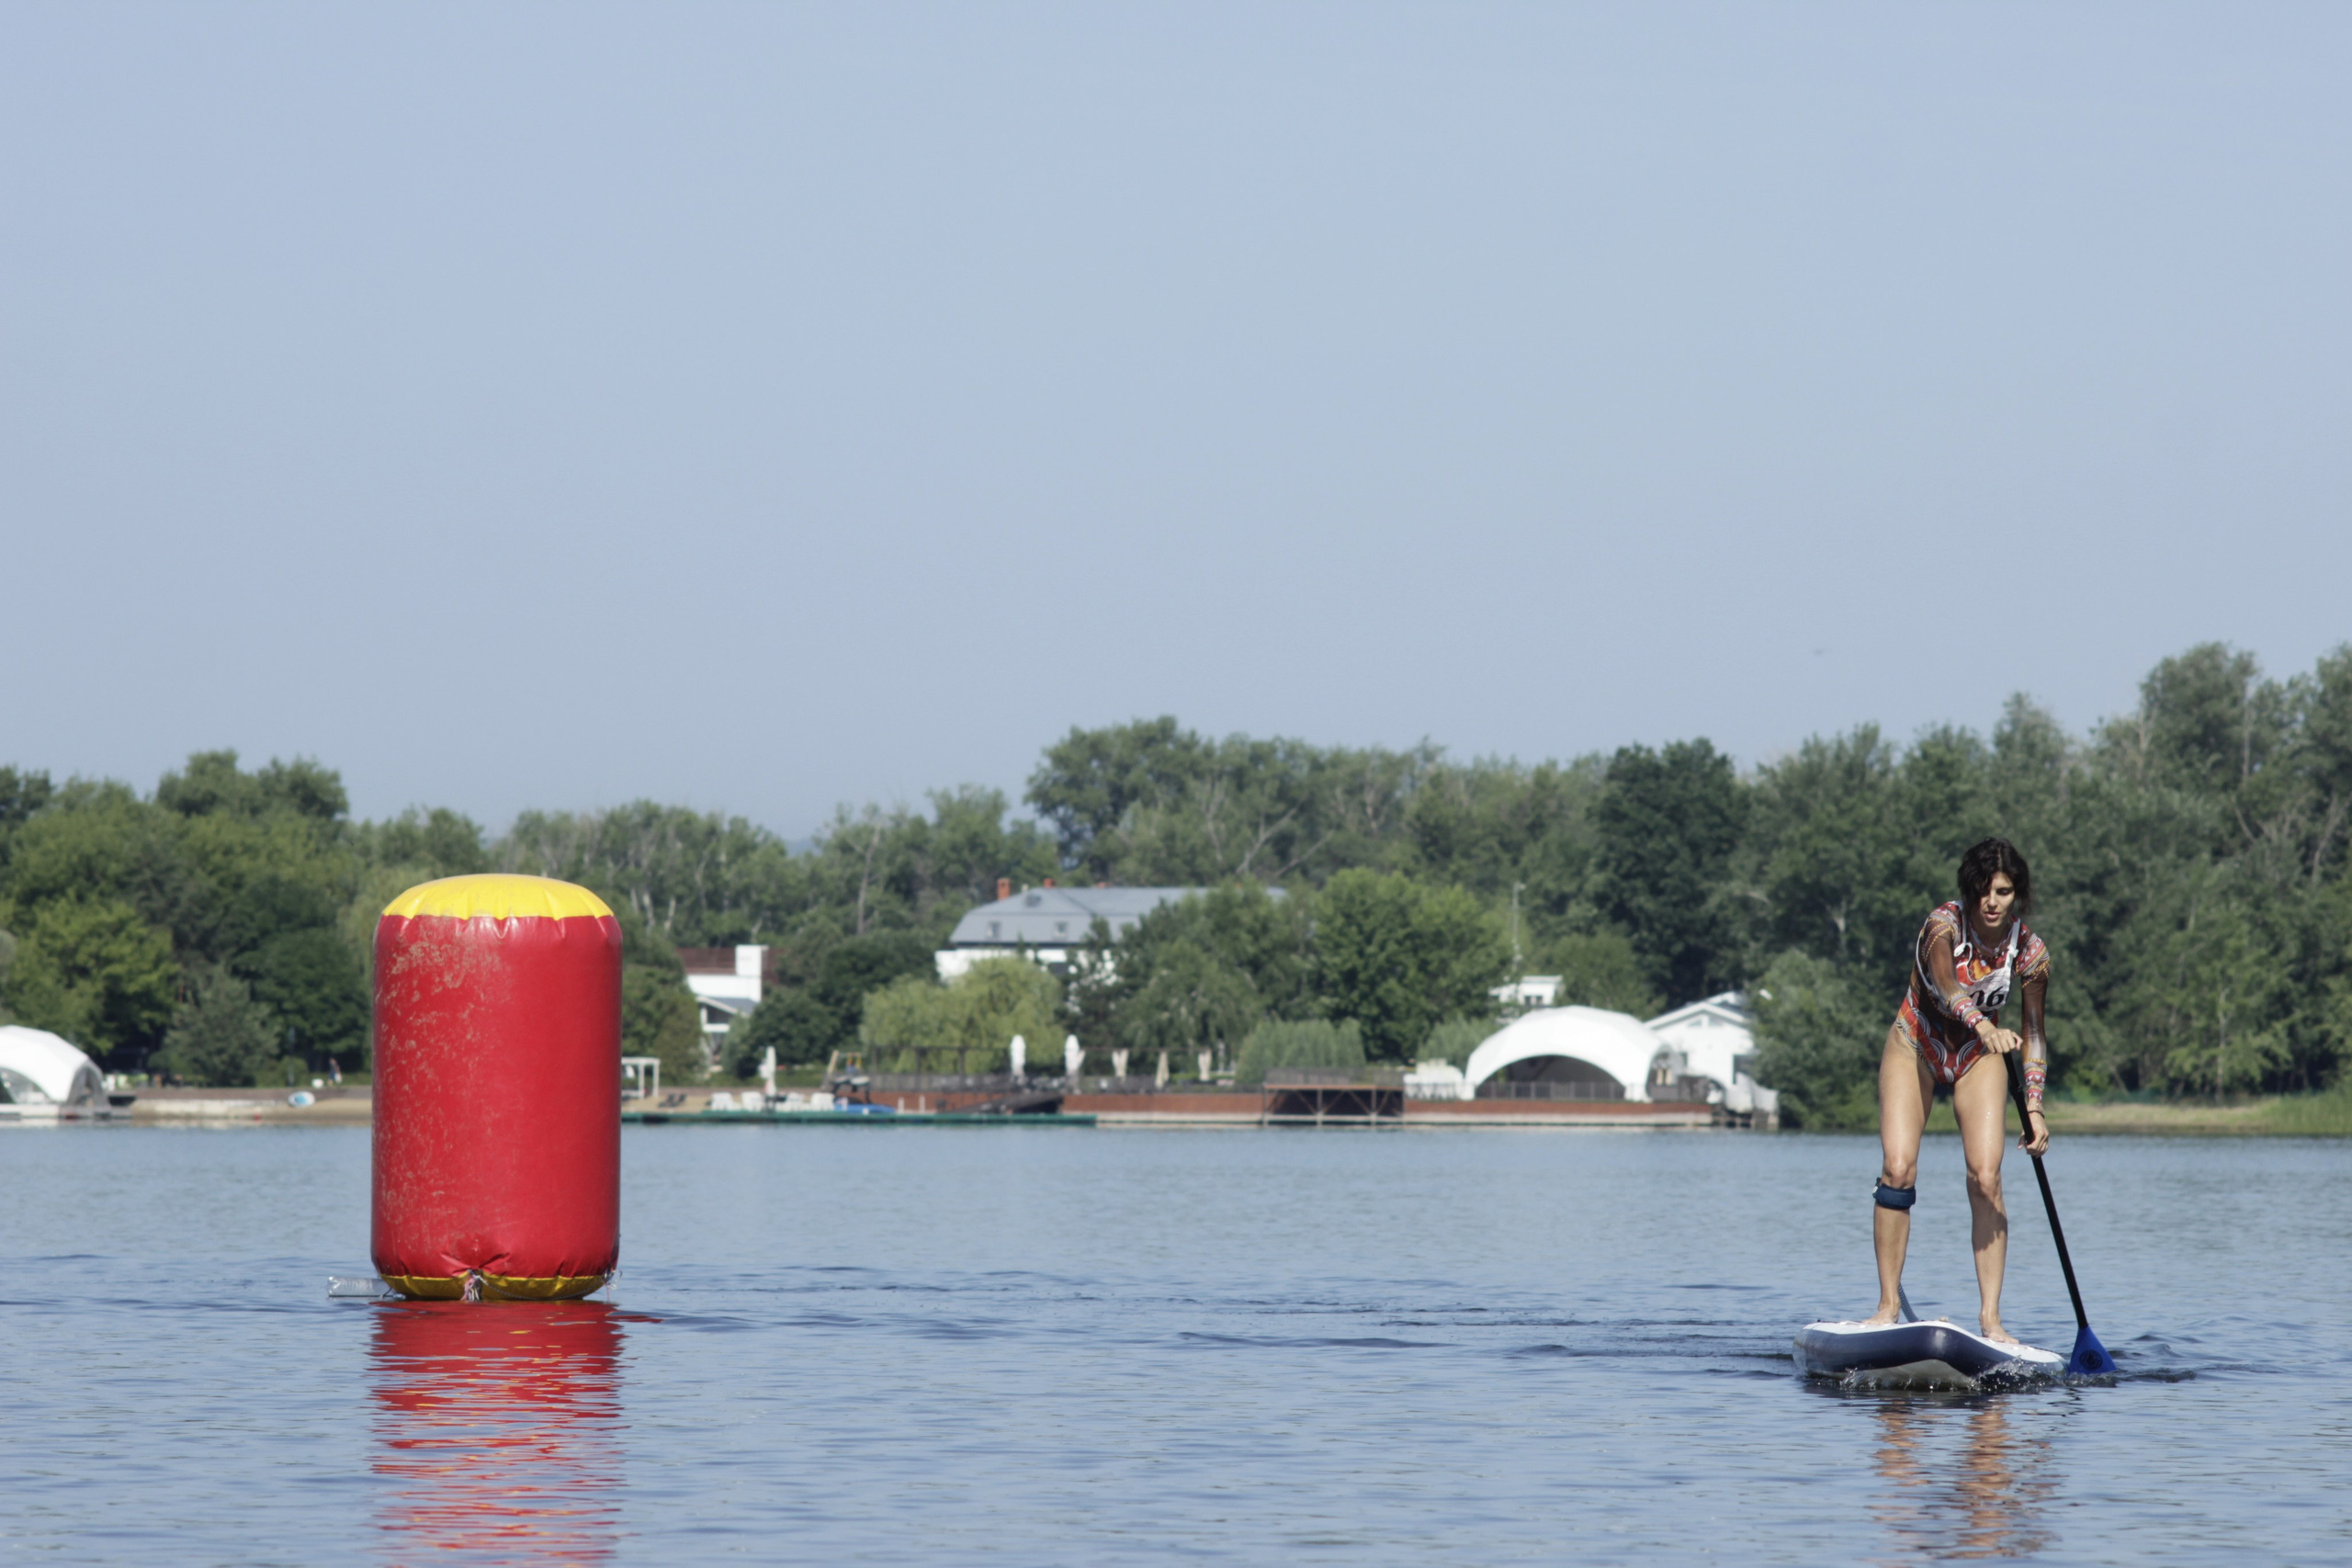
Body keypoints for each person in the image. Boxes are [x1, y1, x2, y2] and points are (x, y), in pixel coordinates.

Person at [1864, 837, 2051, 1342]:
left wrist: (2033, 1105)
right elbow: (1945, 984)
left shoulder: (2030, 953)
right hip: (1916, 1045)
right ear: (1967, 890)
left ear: (2018, 894)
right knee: (1898, 1168)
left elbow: (2033, 1033)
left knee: (1986, 1176)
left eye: (2004, 892)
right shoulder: (1941, 925)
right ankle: (1886, 1308)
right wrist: (1983, 1022)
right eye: (1983, 890)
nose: (1993, 902)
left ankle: (1990, 1320)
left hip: (1976, 1057)